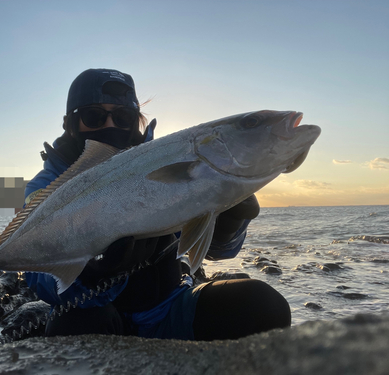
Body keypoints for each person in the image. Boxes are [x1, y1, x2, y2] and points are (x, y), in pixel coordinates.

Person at [24, 68, 291, 340]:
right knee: (73, 326)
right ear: (71, 122)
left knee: (263, 305)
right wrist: (93, 273)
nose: (110, 125)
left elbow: (216, 252)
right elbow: (34, 271)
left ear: (136, 120)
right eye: (93, 116)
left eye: (123, 116)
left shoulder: (170, 160)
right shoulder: (45, 185)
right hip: (98, 314)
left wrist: (230, 225)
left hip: (170, 309)